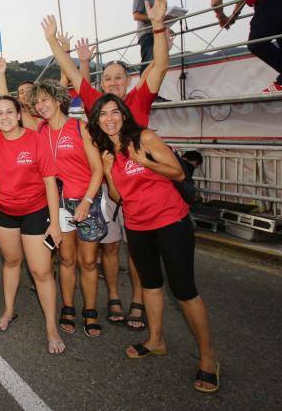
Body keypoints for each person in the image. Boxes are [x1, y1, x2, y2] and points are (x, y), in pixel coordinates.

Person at [43, 0, 171, 330]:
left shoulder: (139, 99)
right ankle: (113, 295)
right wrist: (52, 40)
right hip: (110, 188)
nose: (114, 82)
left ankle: (139, 302)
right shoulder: (95, 102)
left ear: (128, 80)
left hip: (144, 186)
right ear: (102, 83)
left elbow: (160, 65)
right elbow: (69, 69)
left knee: (139, 251)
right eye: (109, 78)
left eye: (119, 77)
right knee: (112, 248)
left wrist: (158, 28)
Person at [88, 94, 219, 393]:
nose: (110, 119)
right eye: (103, 114)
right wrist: (109, 171)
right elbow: (118, 198)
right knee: (150, 285)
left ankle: (208, 357)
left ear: (123, 114)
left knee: (184, 291)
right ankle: (155, 339)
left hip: (171, 222)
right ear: (96, 121)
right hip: (137, 226)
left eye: (114, 112)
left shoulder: (144, 137)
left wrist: (142, 160)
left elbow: (177, 171)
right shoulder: (108, 150)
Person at [0, 95, 64, 354]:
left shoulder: (36, 139)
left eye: (9, 112)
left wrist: (56, 224)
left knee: (41, 272)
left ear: (19, 115)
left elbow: (50, 182)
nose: (4, 117)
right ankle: (8, 311)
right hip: (6, 213)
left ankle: (51, 328)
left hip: (36, 212)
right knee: (11, 262)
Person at [30, 82, 106, 338]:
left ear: (59, 99)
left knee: (88, 261)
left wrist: (86, 201)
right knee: (66, 259)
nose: (41, 106)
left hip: (86, 201)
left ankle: (91, 310)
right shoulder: (39, 130)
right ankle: (69, 306)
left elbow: (98, 169)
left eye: (45, 99)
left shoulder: (80, 127)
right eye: (37, 102)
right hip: (58, 205)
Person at [133, 0, 160, 71]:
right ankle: (144, 87)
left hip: (155, 32)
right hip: (147, 34)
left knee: (155, 65)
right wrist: (154, 18)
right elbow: (136, 16)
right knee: (148, 65)